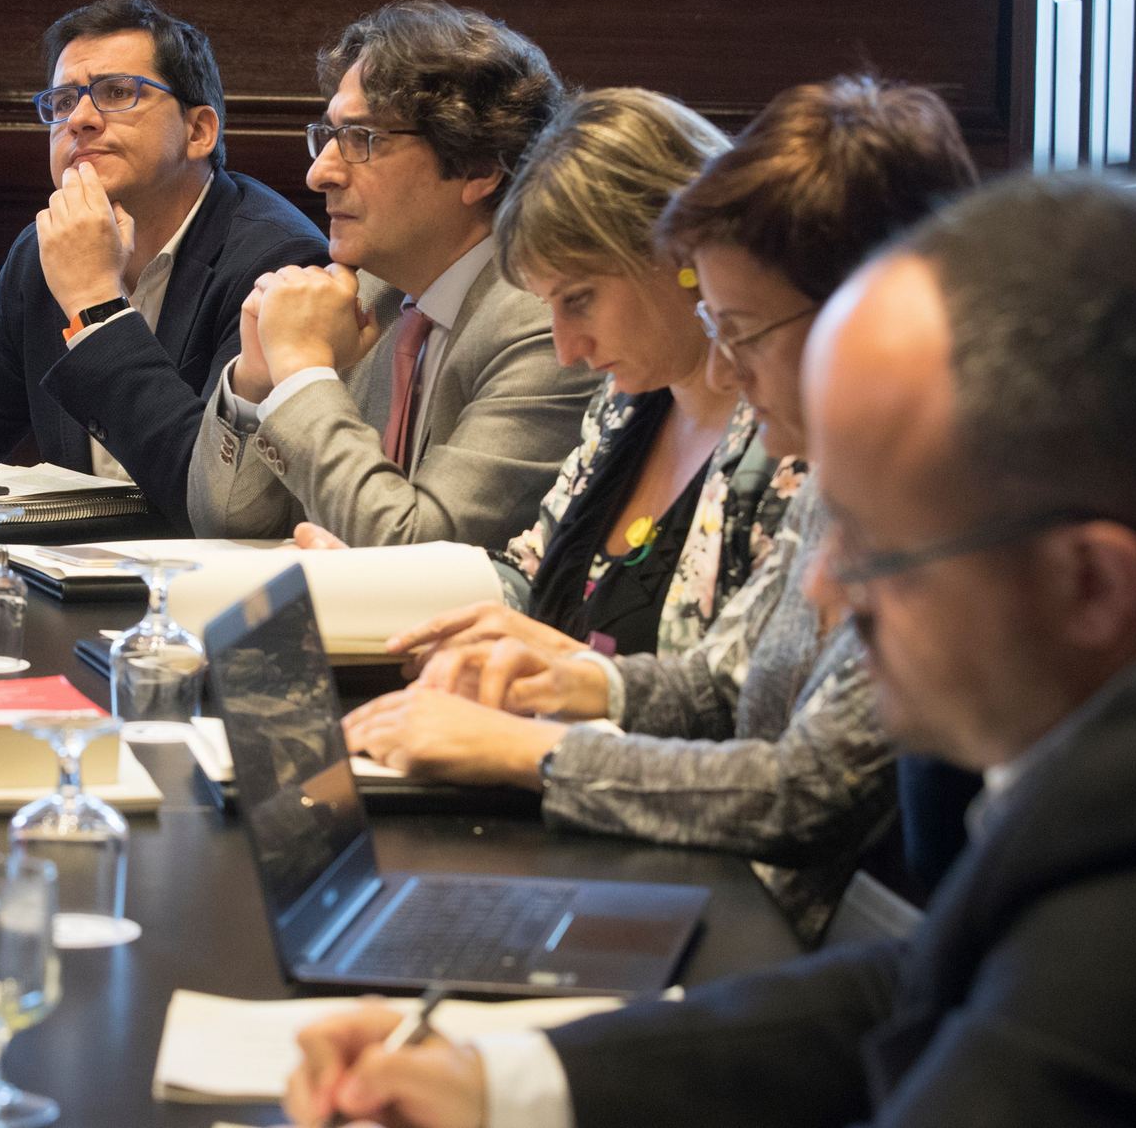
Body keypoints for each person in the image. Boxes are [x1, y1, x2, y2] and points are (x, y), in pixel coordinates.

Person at [284, 174, 1136, 1128]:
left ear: (1092, 585)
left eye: (876, 548)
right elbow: (914, 989)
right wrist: (497, 1083)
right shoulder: (1100, 784)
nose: (823, 587)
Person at [345, 77, 979, 938]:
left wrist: (537, 750)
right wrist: (580, 680)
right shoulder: (844, 458)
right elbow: (720, 684)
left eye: (741, 330)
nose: (724, 369)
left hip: (767, 922)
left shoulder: (937, 486)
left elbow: (804, 793)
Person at [0, 0, 327, 533]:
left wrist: (95, 305)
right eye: (63, 101)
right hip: (71, 565)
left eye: (117, 93)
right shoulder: (46, 250)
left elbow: (213, 493)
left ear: (198, 132)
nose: (80, 120)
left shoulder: (278, 263)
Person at [376, 87, 797, 660]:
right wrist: (369, 586)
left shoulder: (791, 432)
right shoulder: (624, 401)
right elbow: (531, 572)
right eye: (549, 306)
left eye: (579, 300)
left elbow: (733, 691)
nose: (566, 350)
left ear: (680, 254)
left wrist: (577, 680)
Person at [185, 0, 597, 549]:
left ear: (478, 167)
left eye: (362, 139)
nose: (319, 173)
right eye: (328, 136)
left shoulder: (545, 326)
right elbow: (224, 522)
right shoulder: (368, 294)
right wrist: (258, 380)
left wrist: (303, 372)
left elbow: (415, 550)